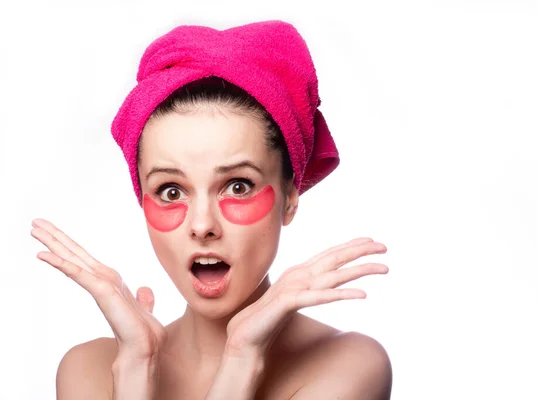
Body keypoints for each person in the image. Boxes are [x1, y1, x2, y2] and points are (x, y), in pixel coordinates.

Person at [31, 20, 392, 399]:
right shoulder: (89, 370)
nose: (202, 225)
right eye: (171, 191)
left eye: (238, 186)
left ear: (290, 196)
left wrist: (243, 357)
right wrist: (137, 368)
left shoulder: (349, 366)